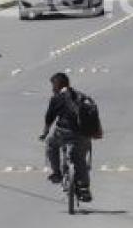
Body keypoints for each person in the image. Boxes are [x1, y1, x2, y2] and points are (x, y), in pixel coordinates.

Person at [39, 72, 94, 202]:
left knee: (51, 143)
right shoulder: (81, 96)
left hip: (63, 133)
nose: (52, 88)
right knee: (80, 158)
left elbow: (49, 119)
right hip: (83, 134)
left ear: (57, 85)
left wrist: (45, 133)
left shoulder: (57, 98)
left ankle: (56, 173)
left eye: (53, 85)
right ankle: (84, 188)